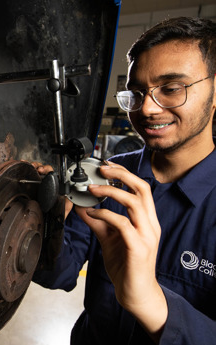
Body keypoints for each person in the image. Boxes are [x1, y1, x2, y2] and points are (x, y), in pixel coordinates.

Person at [33, 16, 216, 345]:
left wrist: (151, 303)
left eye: (171, 89)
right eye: (136, 93)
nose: (147, 109)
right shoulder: (107, 177)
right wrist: (45, 219)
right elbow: (57, 274)